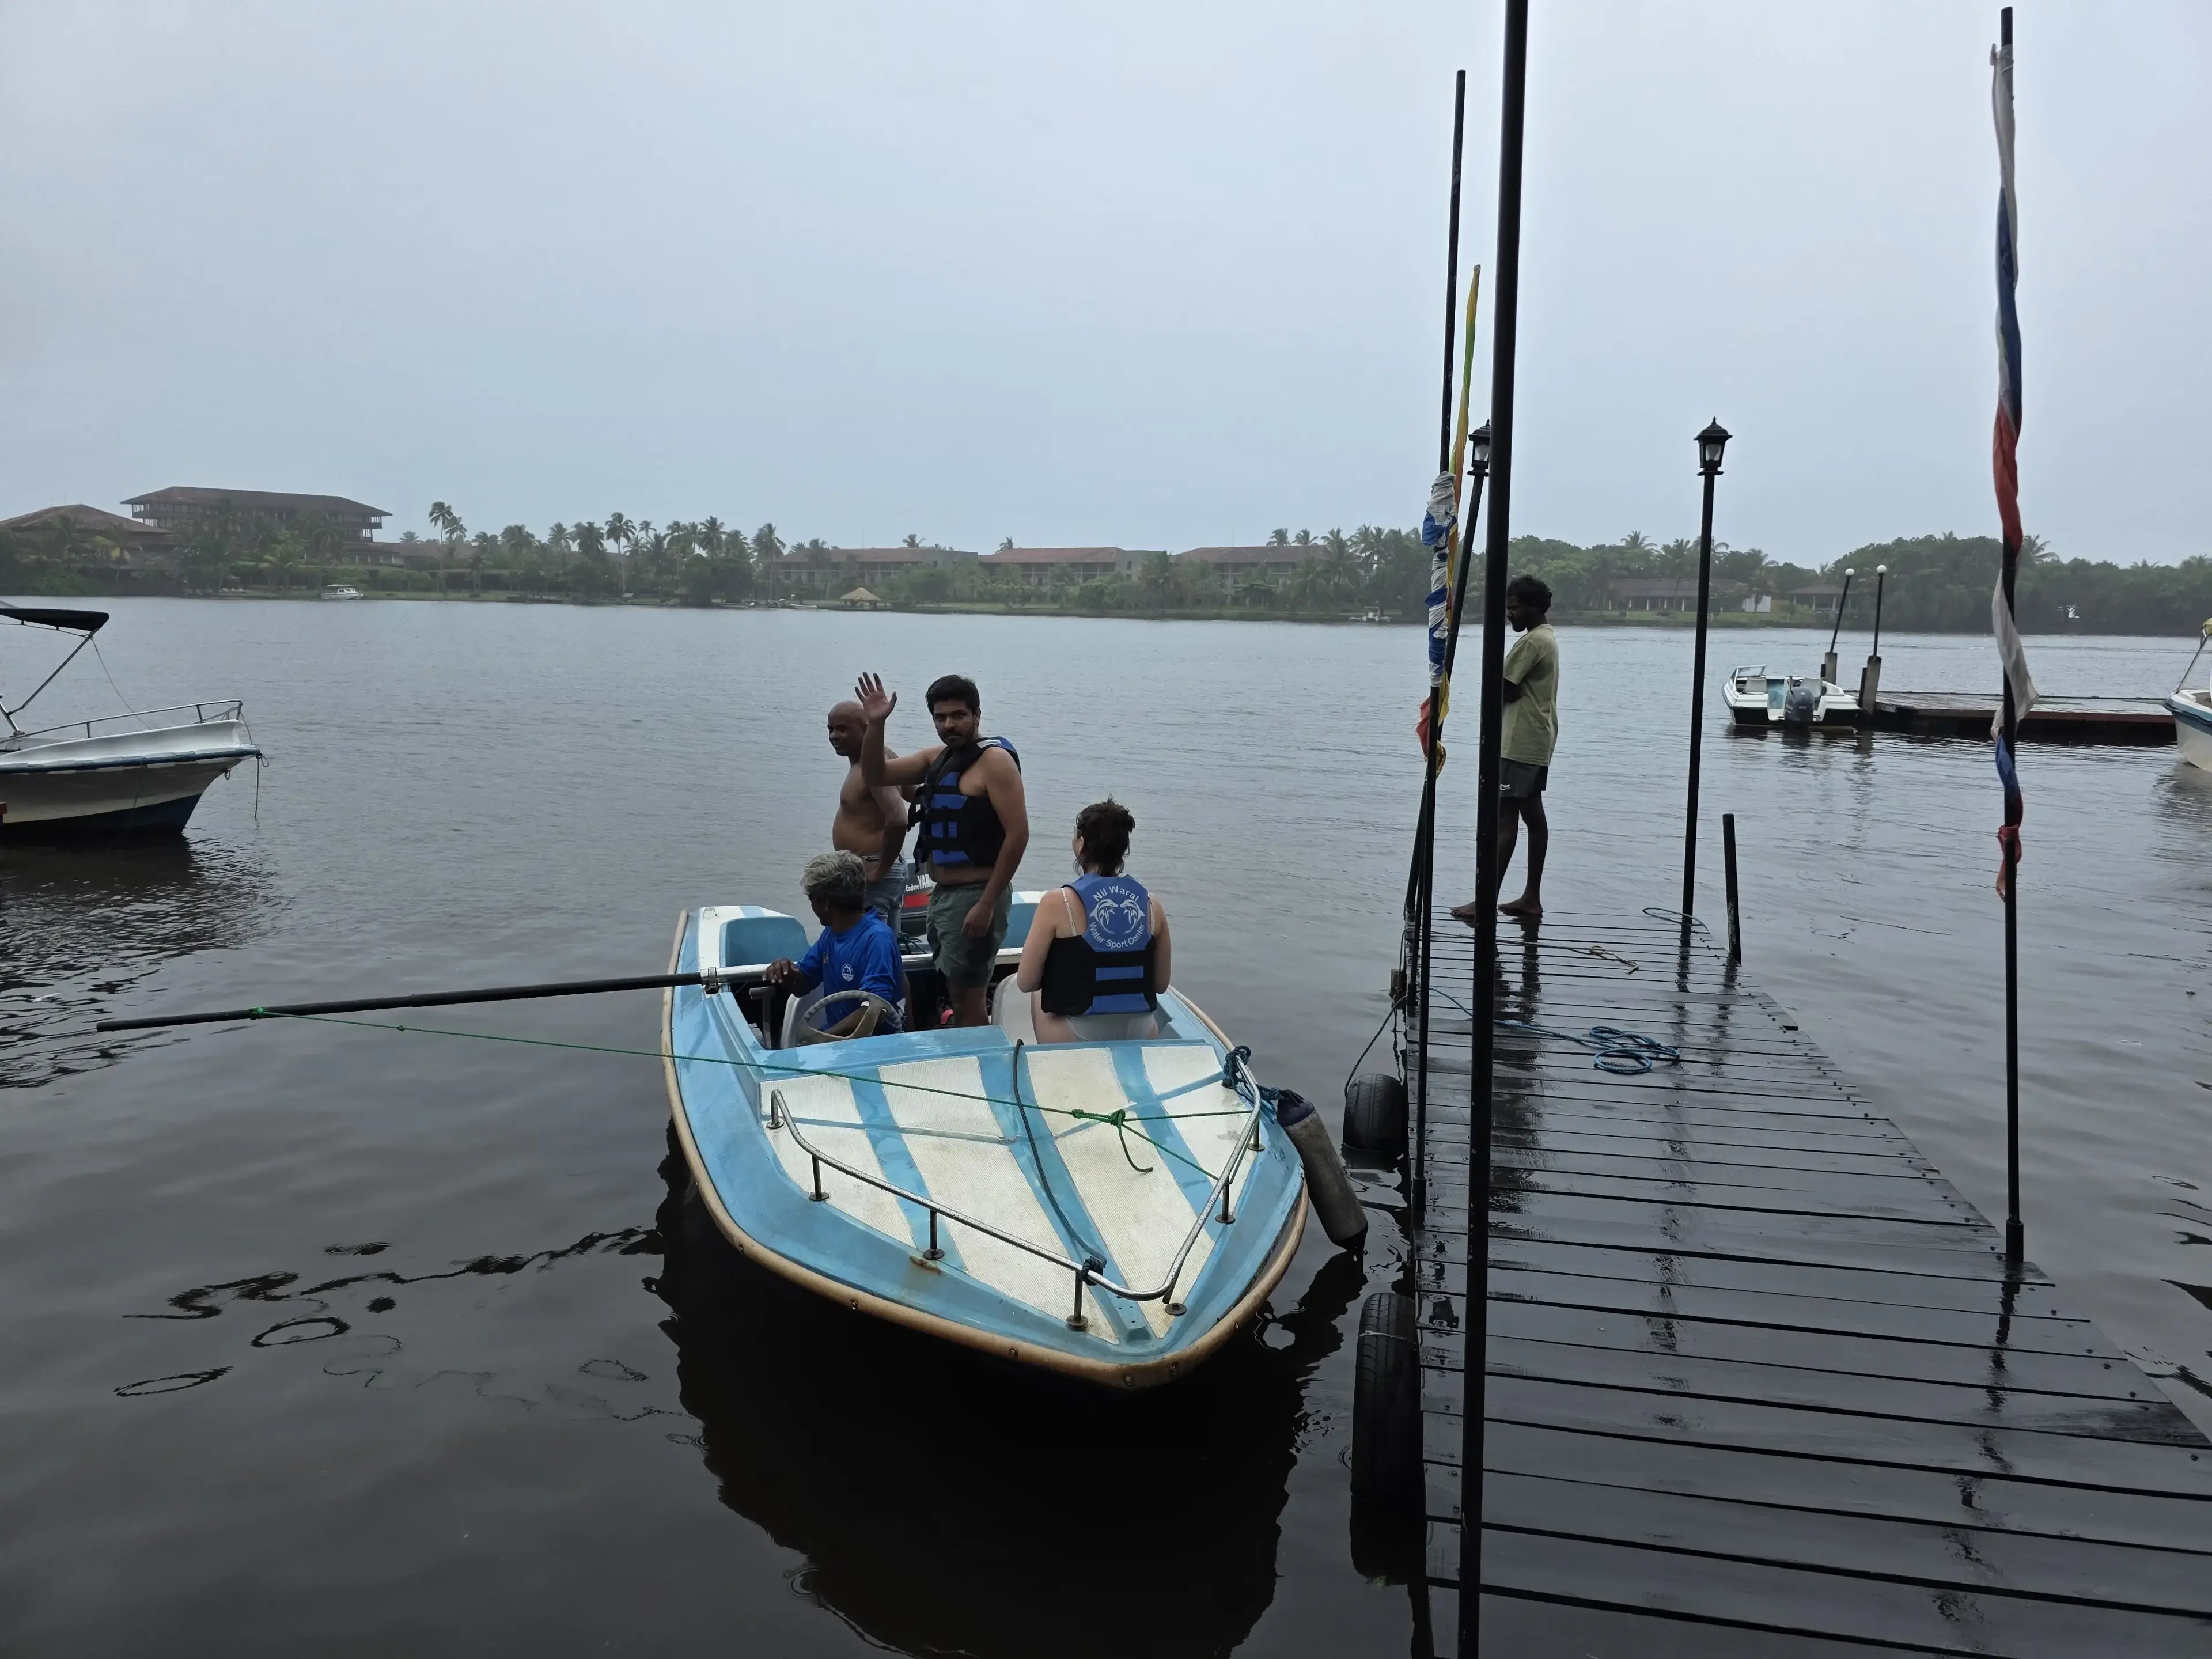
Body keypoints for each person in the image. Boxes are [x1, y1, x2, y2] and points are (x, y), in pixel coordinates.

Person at [854, 670, 1029, 1027]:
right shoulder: (938, 758)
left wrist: (986, 904)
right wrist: (876, 725)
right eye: (941, 717)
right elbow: (875, 774)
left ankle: (978, 1058)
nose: (949, 724)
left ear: (977, 715)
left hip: (977, 894)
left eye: (959, 715)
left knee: (969, 999)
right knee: (956, 991)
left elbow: (1018, 836)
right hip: (944, 894)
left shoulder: (995, 762)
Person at [1016, 799, 1172, 1043]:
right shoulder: (1153, 905)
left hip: (1077, 1033)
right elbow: (1161, 985)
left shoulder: (1058, 902)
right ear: (1123, 850)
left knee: (1036, 995)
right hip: (1141, 1031)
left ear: (1081, 844)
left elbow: (1027, 982)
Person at [1452, 574, 1558, 922]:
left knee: (1505, 819)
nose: (1509, 614)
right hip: (1537, 738)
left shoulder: (1532, 643)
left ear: (1533, 607)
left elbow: (1504, 686)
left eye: (1514, 608)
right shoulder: (1547, 637)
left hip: (1519, 741)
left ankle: (1485, 902)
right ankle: (1531, 897)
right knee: (1533, 815)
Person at [764, 851, 906, 1037]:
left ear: (824, 903)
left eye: (811, 900)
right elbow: (803, 985)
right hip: (838, 1040)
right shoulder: (831, 934)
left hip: (876, 1044)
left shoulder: (877, 939)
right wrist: (786, 971)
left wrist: (822, 1038)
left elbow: (875, 1011)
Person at [826, 699, 911, 927]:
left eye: (843, 729)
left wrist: (880, 871)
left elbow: (898, 819)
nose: (834, 736)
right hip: (881, 868)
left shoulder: (870, 767)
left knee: (872, 943)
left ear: (866, 728)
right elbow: (915, 793)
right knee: (886, 943)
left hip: (874, 870)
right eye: (831, 729)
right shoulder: (883, 755)